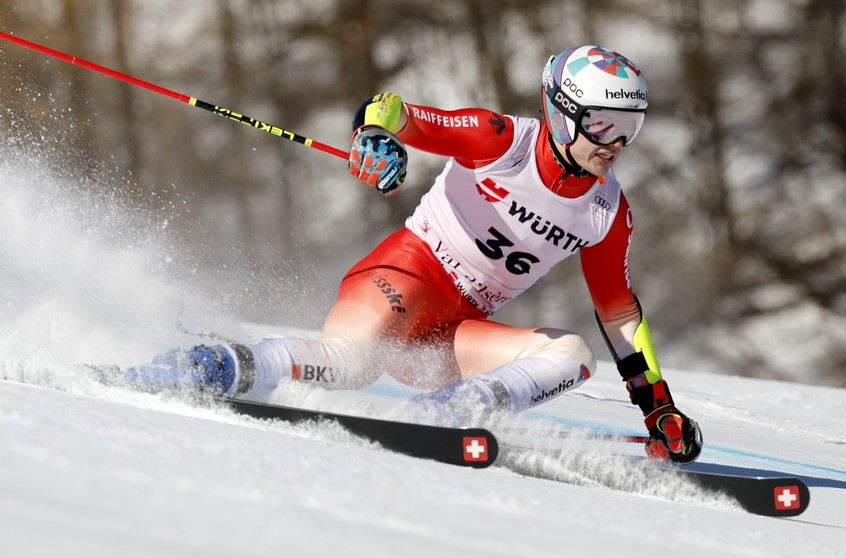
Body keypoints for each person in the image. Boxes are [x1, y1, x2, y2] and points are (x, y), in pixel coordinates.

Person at [123, 45, 703, 464]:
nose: (616, 144)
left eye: (630, 127)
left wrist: (658, 408)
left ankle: (455, 411)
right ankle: (212, 365)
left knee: (573, 355)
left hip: (450, 337)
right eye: (601, 125)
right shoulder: (499, 139)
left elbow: (619, 313)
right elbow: (387, 109)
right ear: (561, 113)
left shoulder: (607, 211)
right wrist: (374, 138)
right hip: (405, 275)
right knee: (347, 364)